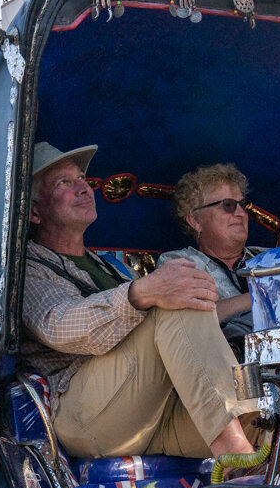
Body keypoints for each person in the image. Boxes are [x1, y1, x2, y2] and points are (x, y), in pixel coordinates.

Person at [20, 141, 259, 466]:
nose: (84, 189)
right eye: (65, 182)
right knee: (176, 297)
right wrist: (143, 293)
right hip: (83, 416)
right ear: (33, 211)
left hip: (150, 412)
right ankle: (236, 462)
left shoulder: (110, 266)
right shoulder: (29, 269)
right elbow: (61, 325)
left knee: (269, 420)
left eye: (83, 180)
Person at [157, 164, 262, 347]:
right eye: (227, 205)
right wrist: (263, 295)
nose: (240, 213)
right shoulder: (179, 263)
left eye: (243, 205)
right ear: (195, 221)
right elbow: (193, 321)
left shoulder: (269, 257)